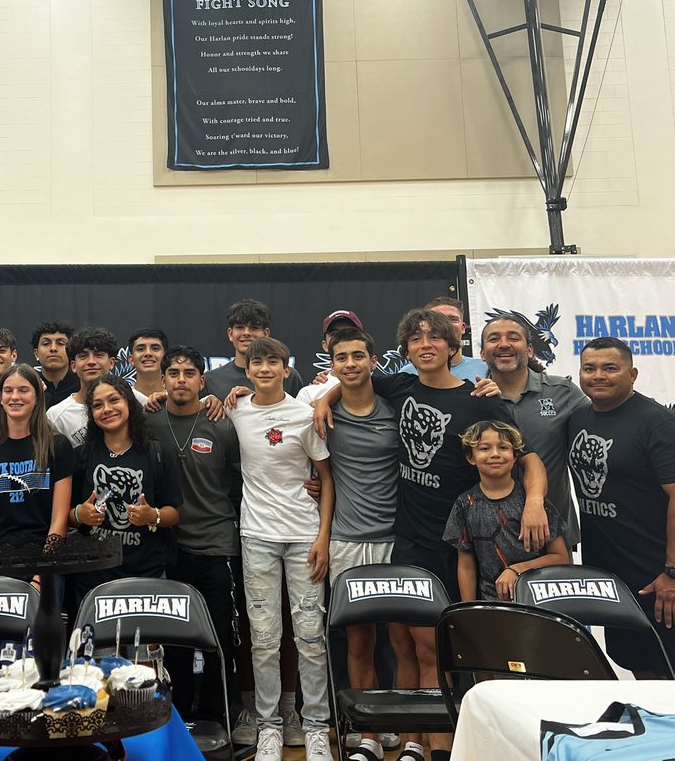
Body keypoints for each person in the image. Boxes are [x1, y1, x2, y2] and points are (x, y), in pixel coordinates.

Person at [313, 308, 549, 761]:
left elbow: (529, 457)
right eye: (416, 338)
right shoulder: (399, 387)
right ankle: (411, 741)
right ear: (405, 350)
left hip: (462, 543)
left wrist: (535, 502)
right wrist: (324, 399)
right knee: (405, 643)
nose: (425, 345)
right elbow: (353, 377)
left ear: (451, 346)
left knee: (440, 648)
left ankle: (441, 744)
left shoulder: (481, 400)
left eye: (435, 338)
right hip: (411, 536)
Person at [567, 336, 675, 679]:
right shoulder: (578, 418)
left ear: (632, 374)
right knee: (638, 670)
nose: (598, 375)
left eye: (610, 368)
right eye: (589, 368)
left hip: (659, 576)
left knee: (670, 677)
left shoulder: (660, 424)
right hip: (614, 575)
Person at [227, 337, 334, 761]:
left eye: (274, 361)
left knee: (309, 637)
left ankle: (316, 727)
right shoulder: (234, 408)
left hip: (305, 537)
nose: (265, 368)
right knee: (264, 639)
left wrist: (323, 536)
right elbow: (192, 408)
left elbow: (326, 479)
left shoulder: (304, 415)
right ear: (247, 370)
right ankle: (268, 726)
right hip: (256, 537)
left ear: (287, 369)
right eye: (258, 362)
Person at [145, 346, 241, 728]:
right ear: (163, 380)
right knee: (175, 643)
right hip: (169, 549)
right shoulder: (148, 422)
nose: (181, 379)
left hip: (218, 546)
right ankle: (180, 718)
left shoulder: (221, 423)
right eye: (174, 373)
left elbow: (239, 481)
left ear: (203, 380)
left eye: (189, 373)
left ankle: (226, 718)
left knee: (220, 639)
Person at [321, 328, 403, 761]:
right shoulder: (322, 412)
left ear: (373, 360)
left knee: (403, 643)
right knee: (359, 642)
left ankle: (401, 726)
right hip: (347, 542)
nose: (350, 364)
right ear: (331, 364)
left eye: (357, 356)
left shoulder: (396, 407)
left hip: (396, 540)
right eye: (341, 358)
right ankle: (368, 729)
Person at [71, 375, 182, 605]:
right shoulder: (82, 455)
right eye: (98, 405)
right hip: (93, 579)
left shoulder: (157, 453)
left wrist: (154, 516)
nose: (107, 409)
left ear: (129, 403)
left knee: (145, 640)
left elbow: (174, 513)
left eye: (114, 400)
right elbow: (66, 515)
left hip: (147, 576)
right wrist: (80, 514)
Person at [479, 314, 587, 548]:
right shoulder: (471, 398)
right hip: (488, 535)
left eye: (513, 338)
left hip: (552, 532)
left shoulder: (563, 392)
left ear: (529, 350)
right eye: (494, 338)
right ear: (482, 353)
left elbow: (604, 426)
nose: (504, 344)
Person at [444, 420, 569, 602]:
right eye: (485, 448)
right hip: (492, 608)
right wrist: (468, 612)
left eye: (503, 447)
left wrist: (517, 570)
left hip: (538, 604)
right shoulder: (464, 504)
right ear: (471, 457)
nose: (495, 454)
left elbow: (561, 557)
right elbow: (466, 566)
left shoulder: (535, 504)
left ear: (515, 455)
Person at [0, 364, 74, 568]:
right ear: (0, 398)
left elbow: (59, 520)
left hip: (47, 563)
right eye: (8, 391)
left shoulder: (58, 446)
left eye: (23, 390)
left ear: (37, 397)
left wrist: (42, 575)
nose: (15, 397)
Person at [47, 327, 147, 448]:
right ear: (73, 366)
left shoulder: (138, 400)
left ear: (111, 363)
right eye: (83, 356)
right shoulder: (56, 416)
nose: (91, 362)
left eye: (99, 355)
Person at [204, 299, 304, 401]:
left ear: (266, 334)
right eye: (240, 327)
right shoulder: (211, 379)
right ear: (230, 334)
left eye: (254, 328)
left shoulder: (289, 376)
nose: (246, 333)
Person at [398, 297, 487, 381]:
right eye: (438, 320)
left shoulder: (485, 369)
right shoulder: (406, 374)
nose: (446, 324)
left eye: (452, 319)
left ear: (463, 328)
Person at [296, 310, 365, 405]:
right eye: (334, 334)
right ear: (325, 345)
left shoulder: (381, 388)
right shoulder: (309, 393)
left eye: (350, 332)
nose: (342, 338)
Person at [30, 321, 78, 409]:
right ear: (36, 354)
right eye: (46, 344)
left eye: (61, 343)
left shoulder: (82, 385)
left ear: (71, 351)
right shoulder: (29, 384)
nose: (53, 349)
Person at [127, 327, 169, 401]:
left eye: (155, 348)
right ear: (131, 360)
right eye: (140, 349)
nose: (148, 353)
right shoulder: (124, 399)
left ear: (165, 357)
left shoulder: (176, 400)